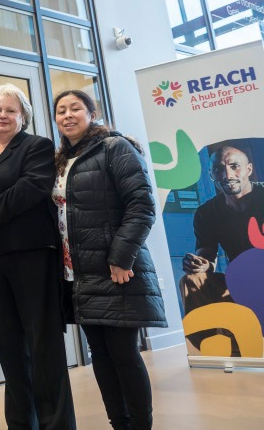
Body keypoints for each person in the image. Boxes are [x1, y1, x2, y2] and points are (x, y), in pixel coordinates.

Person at [0, 84, 76, 430]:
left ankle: (56, 423)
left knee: (42, 344)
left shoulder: (37, 146)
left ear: (23, 115)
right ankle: (21, 423)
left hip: (32, 255)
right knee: (10, 346)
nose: (3, 116)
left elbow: (31, 187)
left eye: (10, 110)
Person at [52, 90, 167, 430]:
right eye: (61, 110)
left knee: (124, 354)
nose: (68, 115)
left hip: (116, 270)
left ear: (92, 113)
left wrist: (120, 257)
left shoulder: (115, 148)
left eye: (76, 108)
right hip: (79, 273)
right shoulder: (62, 159)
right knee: (100, 355)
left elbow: (142, 206)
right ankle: (120, 423)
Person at [180, 145, 264, 315]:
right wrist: (200, 264)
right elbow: (207, 257)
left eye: (234, 166)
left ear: (249, 169)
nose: (227, 175)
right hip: (241, 281)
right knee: (192, 281)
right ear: (211, 175)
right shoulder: (207, 213)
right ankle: (209, 340)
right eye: (218, 169)